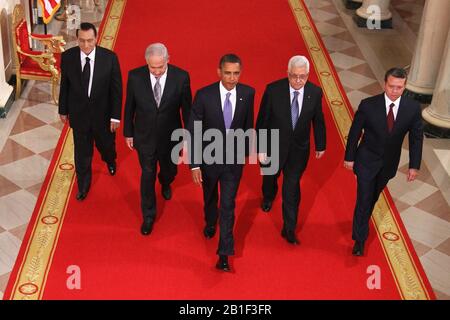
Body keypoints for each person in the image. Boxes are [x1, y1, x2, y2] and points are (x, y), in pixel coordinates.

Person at [344, 67, 423, 256]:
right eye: (391, 86)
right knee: (364, 199)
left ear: (404, 86)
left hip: (388, 165)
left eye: (399, 87)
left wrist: (414, 165)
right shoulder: (368, 105)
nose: (395, 91)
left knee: (372, 198)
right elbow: (355, 132)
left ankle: (360, 222)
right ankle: (359, 239)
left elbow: (416, 138)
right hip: (365, 160)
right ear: (384, 83)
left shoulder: (412, 109)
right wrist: (349, 157)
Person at [188, 54, 254, 272]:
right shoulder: (204, 95)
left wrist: (245, 153)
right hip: (208, 160)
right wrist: (195, 164)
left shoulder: (248, 94)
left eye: (236, 73)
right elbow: (194, 131)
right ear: (219, 72)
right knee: (210, 197)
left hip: (233, 163)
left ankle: (224, 254)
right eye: (227, 73)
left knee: (228, 205)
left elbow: (247, 126)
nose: (232, 78)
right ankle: (209, 222)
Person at [255, 55, 326, 245]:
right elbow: (262, 121)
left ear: (308, 75)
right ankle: (268, 197)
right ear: (287, 74)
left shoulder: (315, 92)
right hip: (272, 147)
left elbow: (318, 119)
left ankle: (289, 228)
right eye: (294, 76)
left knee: (291, 188)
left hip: (298, 151)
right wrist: (261, 147)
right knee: (270, 178)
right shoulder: (273, 90)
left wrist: (321, 144)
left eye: (302, 77)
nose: (297, 81)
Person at [123, 43, 192, 236]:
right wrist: (128, 132)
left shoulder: (181, 77)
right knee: (147, 174)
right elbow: (130, 106)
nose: (157, 71)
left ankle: (166, 181)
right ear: (147, 63)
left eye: (160, 67)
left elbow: (187, 110)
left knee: (170, 170)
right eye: (152, 67)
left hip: (171, 137)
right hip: (144, 137)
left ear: (168, 60)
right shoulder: (135, 77)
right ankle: (148, 216)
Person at [59, 22, 122, 201]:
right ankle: (83, 186)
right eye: (82, 41)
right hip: (79, 116)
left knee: (106, 147)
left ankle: (110, 160)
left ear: (96, 38)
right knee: (82, 153)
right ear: (77, 39)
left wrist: (115, 116)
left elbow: (116, 91)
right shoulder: (68, 57)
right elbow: (65, 86)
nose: (86, 45)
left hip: (103, 116)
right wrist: (63, 110)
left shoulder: (110, 58)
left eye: (90, 41)